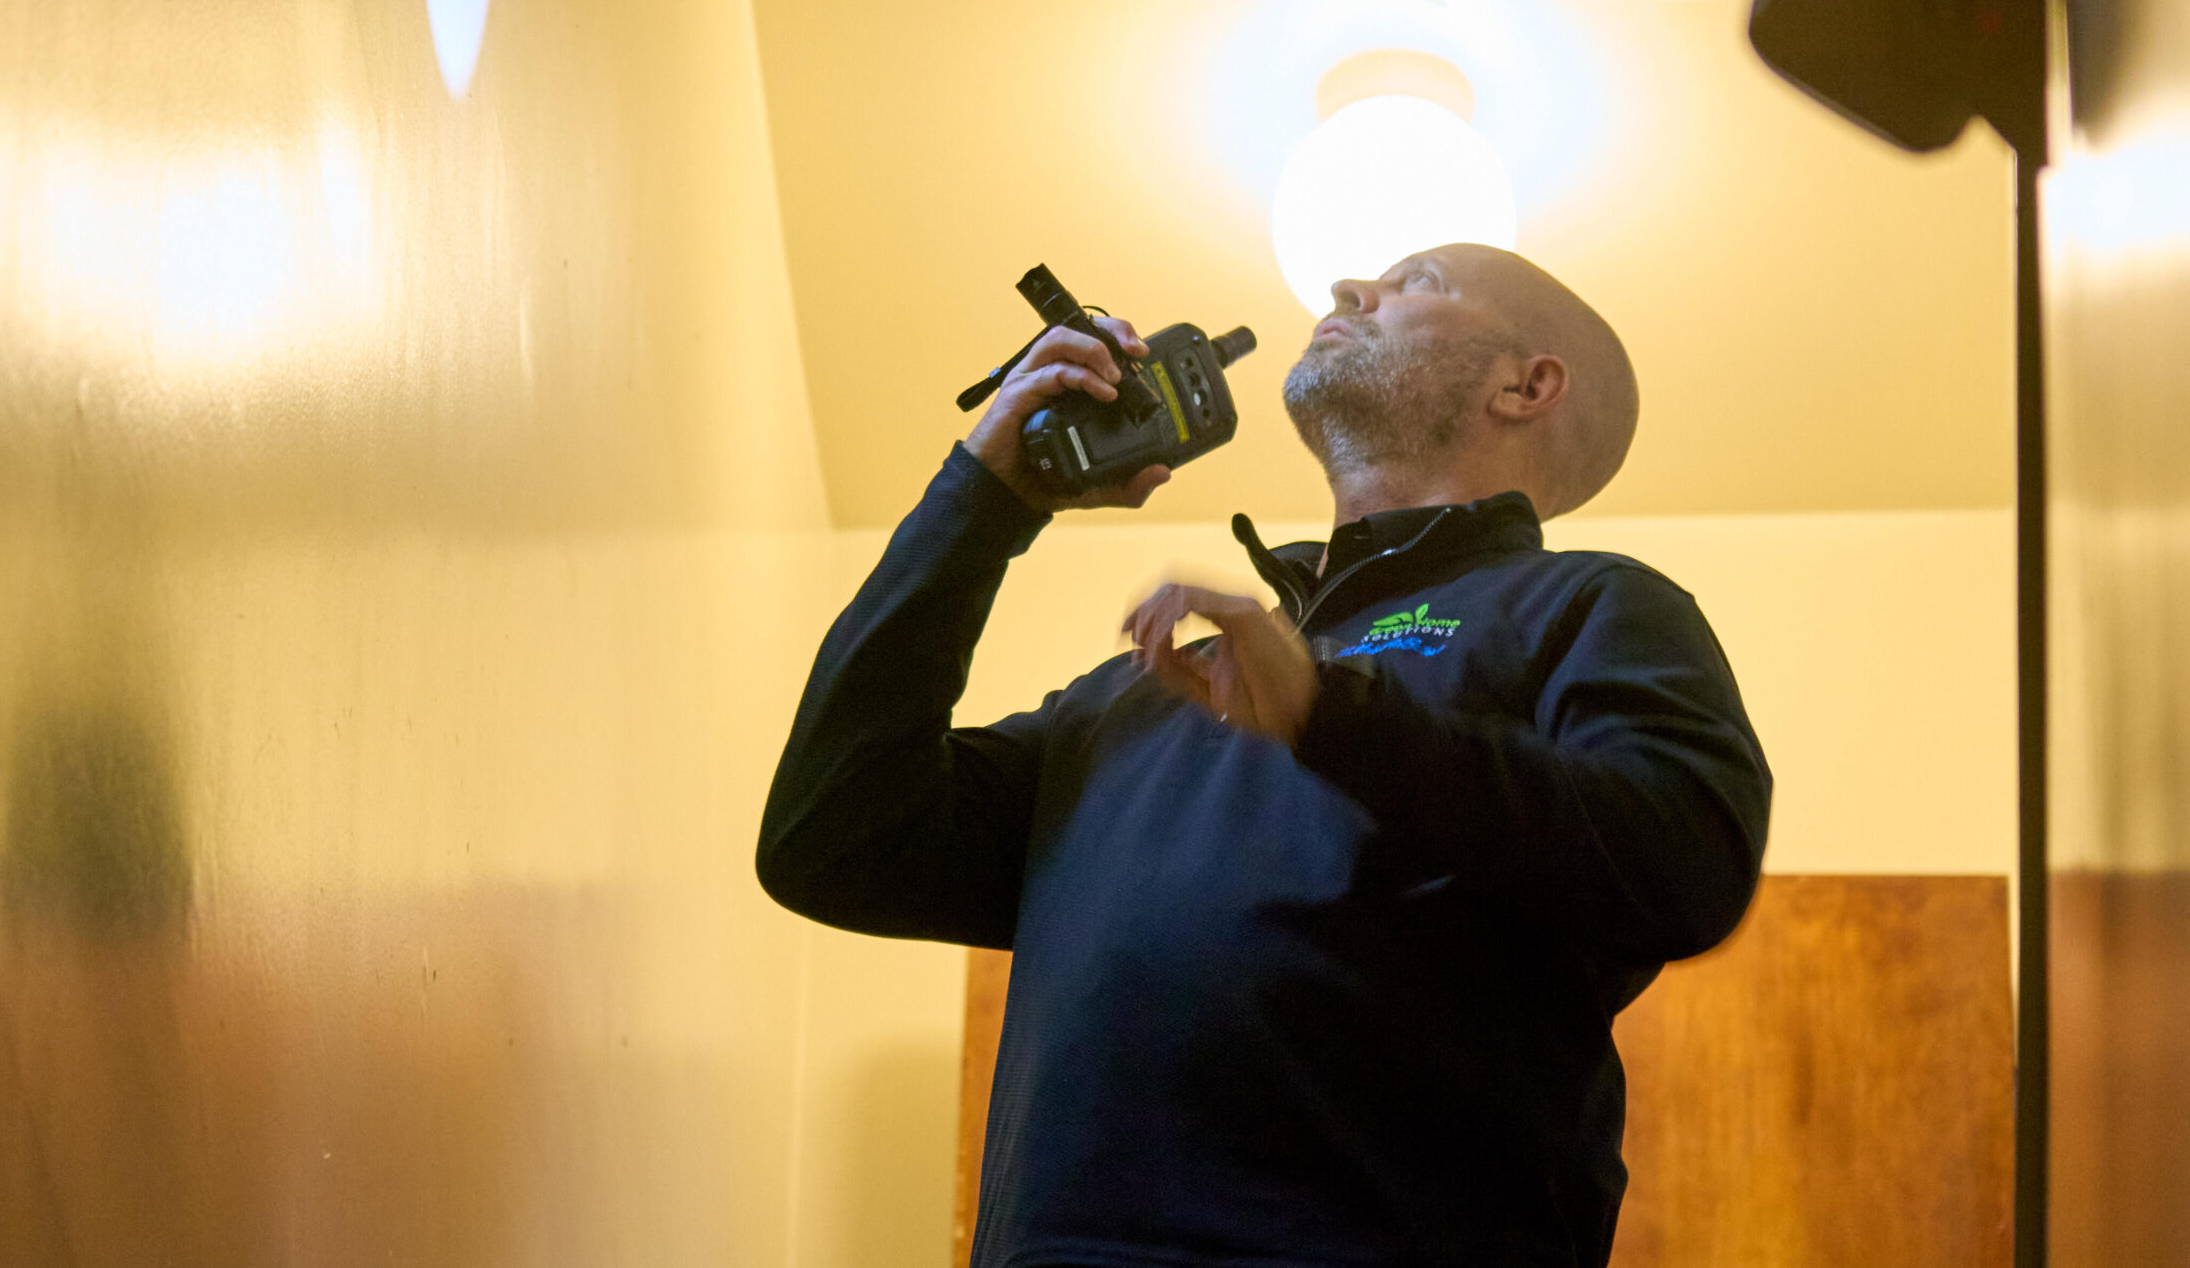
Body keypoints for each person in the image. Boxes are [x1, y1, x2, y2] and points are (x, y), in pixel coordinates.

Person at [758, 244, 1773, 1268]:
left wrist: (1337, 719)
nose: (1348, 288)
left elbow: (1684, 865)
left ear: (1527, 383)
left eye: (1416, 280)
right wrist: (984, 499)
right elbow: (833, 839)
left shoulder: (1589, 605)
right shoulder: (1144, 692)